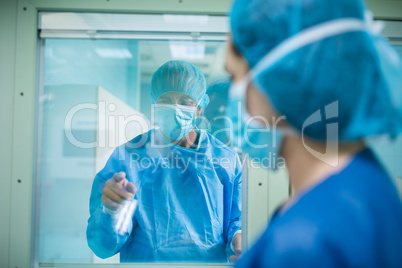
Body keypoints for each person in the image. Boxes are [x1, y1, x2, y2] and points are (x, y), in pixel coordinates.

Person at [225, 0, 402, 267]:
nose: (233, 96)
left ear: (281, 77)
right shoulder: (367, 185)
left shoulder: (305, 244)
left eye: (233, 77)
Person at [86, 60, 242, 263]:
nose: (175, 109)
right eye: (166, 100)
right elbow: (103, 247)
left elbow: (236, 220)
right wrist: (111, 211)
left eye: (185, 101)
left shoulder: (225, 159)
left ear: (199, 107)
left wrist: (238, 239)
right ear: (154, 104)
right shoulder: (129, 156)